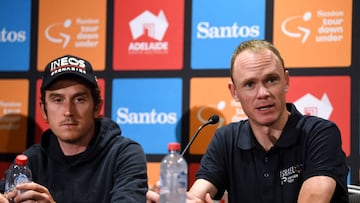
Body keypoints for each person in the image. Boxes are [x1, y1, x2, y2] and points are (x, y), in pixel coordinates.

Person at [186, 40, 349, 202]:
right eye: (250, 84)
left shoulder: (320, 133)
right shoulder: (226, 139)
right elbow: (197, 193)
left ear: (286, 80)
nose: (263, 93)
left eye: (271, 80)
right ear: (235, 92)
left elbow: (315, 199)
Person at [0, 55, 149, 202]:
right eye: (57, 100)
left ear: (97, 107)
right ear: (43, 110)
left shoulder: (124, 155)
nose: (68, 111)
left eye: (79, 99)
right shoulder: (32, 161)